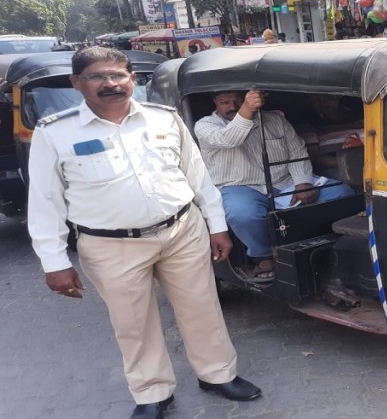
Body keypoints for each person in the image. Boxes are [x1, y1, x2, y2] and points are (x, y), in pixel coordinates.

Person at [25, 48, 261, 419]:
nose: (111, 84)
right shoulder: (56, 132)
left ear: (132, 78)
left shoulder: (163, 118)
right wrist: (54, 262)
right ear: (77, 83)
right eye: (98, 77)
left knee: (203, 308)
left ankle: (217, 375)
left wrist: (217, 226)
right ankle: (153, 392)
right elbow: (44, 202)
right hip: (110, 245)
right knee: (133, 322)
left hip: (182, 231)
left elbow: (197, 175)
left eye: (119, 75)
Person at [194, 90, 354, 282]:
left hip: (283, 182)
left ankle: (314, 242)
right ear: (215, 102)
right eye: (225, 102)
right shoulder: (205, 125)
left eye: (238, 101)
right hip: (240, 186)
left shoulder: (275, 120)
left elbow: (297, 151)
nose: (233, 107)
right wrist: (246, 109)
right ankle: (263, 255)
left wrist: (303, 181)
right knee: (242, 214)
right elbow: (229, 139)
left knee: (343, 193)